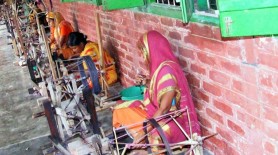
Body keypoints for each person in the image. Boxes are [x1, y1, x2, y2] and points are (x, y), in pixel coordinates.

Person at [112, 30, 201, 153]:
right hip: (156, 110)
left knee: (155, 133)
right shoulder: (160, 67)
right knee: (120, 110)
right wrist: (146, 82)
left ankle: (147, 145)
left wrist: (144, 132)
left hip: (172, 118)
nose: (144, 57)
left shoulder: (167, 71)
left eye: (144, 52)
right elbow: (159, 88)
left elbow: (164, 109)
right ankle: (138, 141)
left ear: (152, 50)